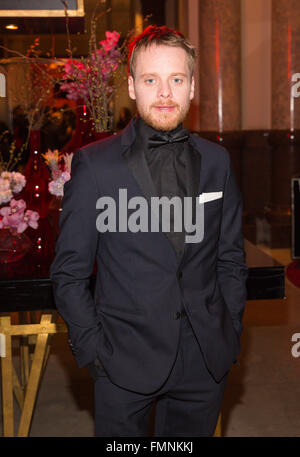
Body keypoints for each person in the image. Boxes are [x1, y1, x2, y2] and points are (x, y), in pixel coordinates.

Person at [50, 25, 248, 437]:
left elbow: (230, 259)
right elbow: (69, 274)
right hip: (122, 360)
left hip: (204, 360)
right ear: (132, 87)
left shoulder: (218, 163)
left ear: (192, 87)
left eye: (176, 79)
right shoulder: (96, 166)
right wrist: (94, 350)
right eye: (150, 79)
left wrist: (227, 331)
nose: (164, 93)